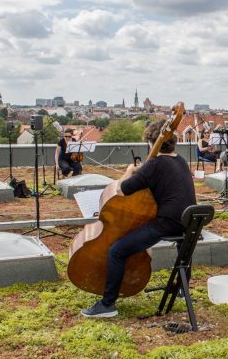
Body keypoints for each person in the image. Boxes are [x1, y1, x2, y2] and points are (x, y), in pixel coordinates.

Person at [81, 122, 197, 318]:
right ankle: (180, 290)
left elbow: (121, 190)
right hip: (190, 222)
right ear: (174, 144)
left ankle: (107, 305)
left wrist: (129, 171)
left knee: (117, 251)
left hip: (167, 223)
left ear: (152, 143)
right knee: (183, 244)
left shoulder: (154, 164)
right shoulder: (181, 161)